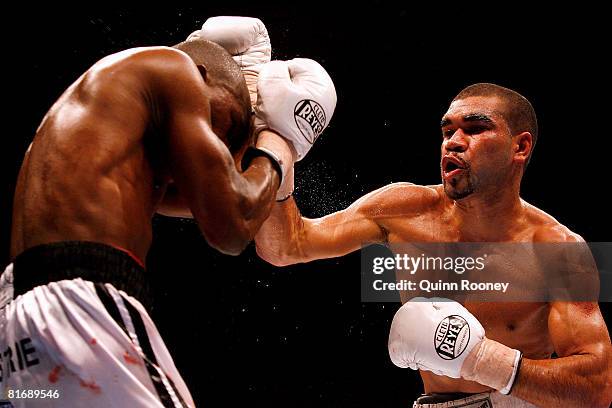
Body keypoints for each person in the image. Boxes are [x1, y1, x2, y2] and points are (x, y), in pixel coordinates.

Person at [0, 15, 337, 407]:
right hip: (78, 306)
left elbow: (229, 203)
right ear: (201, 75)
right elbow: (232, 226)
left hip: (16, 333)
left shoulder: (107, 133)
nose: (217, 147)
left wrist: (256, 146)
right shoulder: (173, 71)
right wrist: (282, 142)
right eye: (223, 126)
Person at [255, 83, 612, 407]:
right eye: (447, 130)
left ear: (520, 146)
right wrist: (277, 152)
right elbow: (287, 245)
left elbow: (596, 388)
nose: (454, 141)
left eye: (475, 128)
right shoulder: (403, 208)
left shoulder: (559, 250)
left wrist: (482, 361)